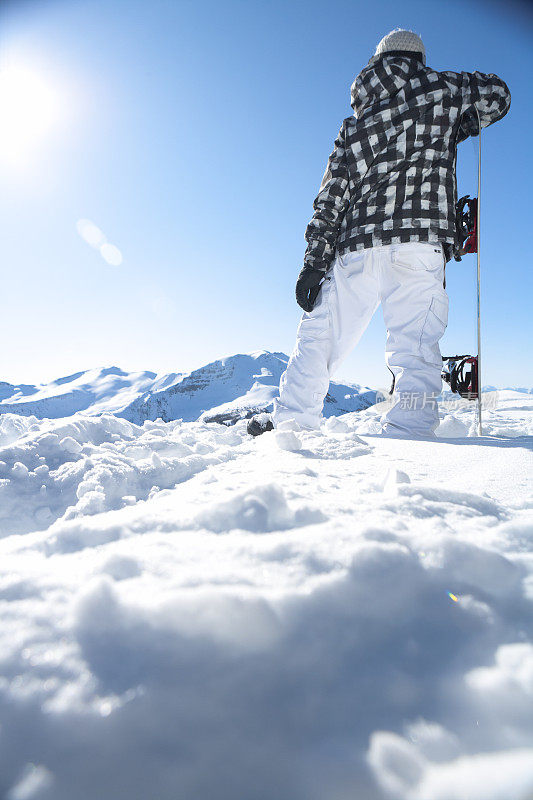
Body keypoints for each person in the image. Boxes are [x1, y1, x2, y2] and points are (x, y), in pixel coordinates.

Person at [248, 29, 511, 439]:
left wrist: (313, 264)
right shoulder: (446, 91)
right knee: (415, 347)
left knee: (320, 338)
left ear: (376, 63)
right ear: (419, 59)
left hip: (356, 247)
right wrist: (459, 123)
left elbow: (331, 196)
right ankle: (409, 434)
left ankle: (291, 427)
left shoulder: (356, 123)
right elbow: (499, 95)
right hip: (420, 243)